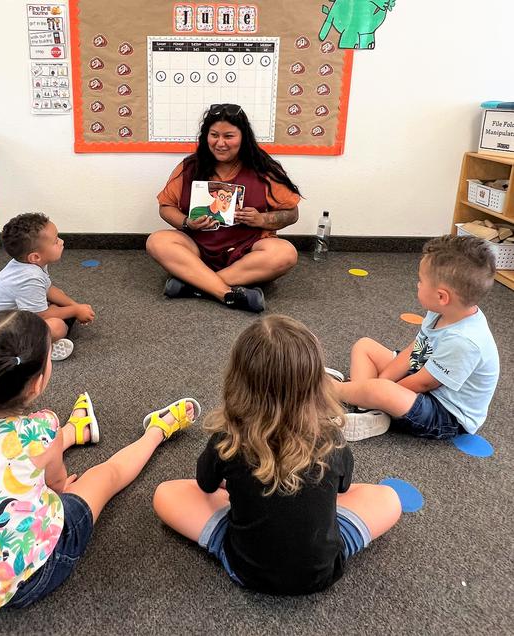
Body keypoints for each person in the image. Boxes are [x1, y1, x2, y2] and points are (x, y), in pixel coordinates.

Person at [0, 309, 200, 614]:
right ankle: (157, 431)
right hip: (26, 582)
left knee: (23, 459)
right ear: (36, 385)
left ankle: (77, 431)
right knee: (105, 476)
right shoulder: (39, 430)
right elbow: (56, 485)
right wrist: (58, 493)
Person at [153, 315, 401, 595]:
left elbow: (205, 485)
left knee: (165, 494)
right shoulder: (332, 439)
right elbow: (343, 489)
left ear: (238, 380)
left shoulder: (228, 439)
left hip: (246, 570)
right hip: (323, 571)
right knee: (388, 499)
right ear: (317, 383)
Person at [336, 234, 499, 441]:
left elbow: (424, 384)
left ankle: (336, 391)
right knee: (364, 346)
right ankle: (368, 407)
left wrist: (380, 388)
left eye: (421, 281)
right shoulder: (442, 311)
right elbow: (418, 351)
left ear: (442, 296)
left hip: (444, 414)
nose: (418, 285)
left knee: (381, 389)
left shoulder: (465, 341)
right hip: (426, 373)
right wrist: (381, 382)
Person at [147, 104, 301, 313]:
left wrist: (262, 220)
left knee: (286, 253)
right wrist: (186, 222)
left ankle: (196, 284)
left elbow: (292, 213)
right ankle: (226, 293)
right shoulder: (190, 166)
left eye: (229, 136)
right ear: (206, 136)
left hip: (247, 251)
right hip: (198, 248)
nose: (220, 143)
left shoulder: (264, 169)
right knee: (157, 241)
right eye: (214, 135)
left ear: (243, 137)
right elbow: (166, 207)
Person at [0, 213, 95, 361]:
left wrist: (76, 306)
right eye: (56, 241)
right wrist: (76, 310)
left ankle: (42, 340)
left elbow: (49, 289)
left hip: (10, 320)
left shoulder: (32, 265)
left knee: (60, 298)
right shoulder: (29, 277)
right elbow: (41, 316)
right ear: (35, 257)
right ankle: (33, 351)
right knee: (58, 326)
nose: (62, 242)